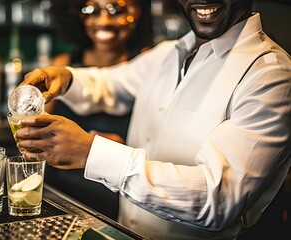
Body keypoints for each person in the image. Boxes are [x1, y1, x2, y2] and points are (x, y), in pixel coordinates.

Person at [16, 0, 291, 239]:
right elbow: (111, 84)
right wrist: (66, 77)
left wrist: (90, 153)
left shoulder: (271, 76)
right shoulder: (167, 53)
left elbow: (217, 200)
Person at [44, 0, 153, 220]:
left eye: (116, 10)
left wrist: (119, 149)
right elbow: (39, 128)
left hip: (118, 201)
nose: (103, 21)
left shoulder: (151, 66)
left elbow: (159, 149)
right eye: (91, 10)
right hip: (62, 196)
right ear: (77, 15)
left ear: (137, 12)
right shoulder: (63, 66)